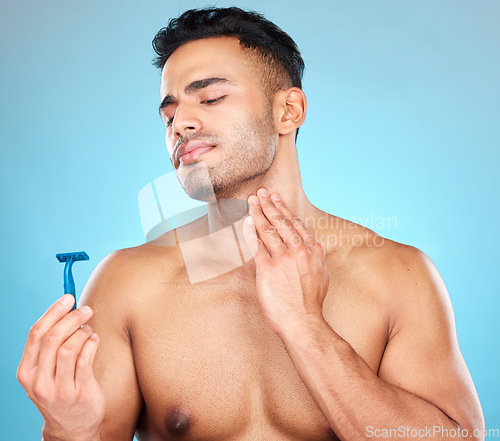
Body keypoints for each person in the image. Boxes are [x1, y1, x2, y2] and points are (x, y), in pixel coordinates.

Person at [18, 7, 484, 441]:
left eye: (212, 97)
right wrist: (69, 427)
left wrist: (305, 326)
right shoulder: (128, 282)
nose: (181, 122)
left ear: (288, 111)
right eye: (170, 113)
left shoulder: (398, 275)